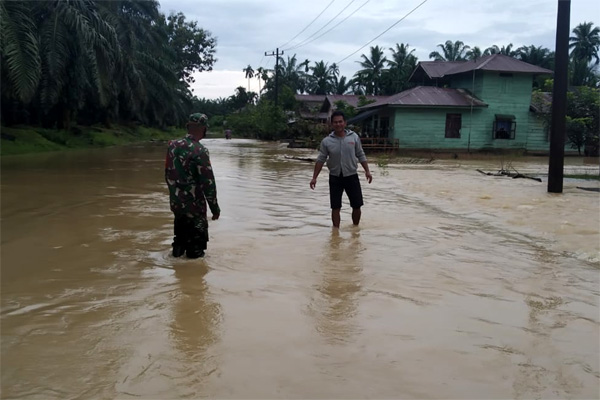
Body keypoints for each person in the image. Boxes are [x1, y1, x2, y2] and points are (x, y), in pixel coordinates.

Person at [165, 113, 220, 258]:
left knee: (179, 241)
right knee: (196, 250)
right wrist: (215, 208)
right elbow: (208, 182)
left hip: (177, 204)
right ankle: (193, 279)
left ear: (188, 127)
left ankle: (177, 274)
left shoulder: (172, 146)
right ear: (203, 128)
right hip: (194, 207)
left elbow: (168, 174)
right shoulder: (199, 150)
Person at [310, 110, 372, 228]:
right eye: (335, 122)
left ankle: (355, 229)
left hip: (352, 176)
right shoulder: (327, 141)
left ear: (345, 123)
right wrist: (314, 178)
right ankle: (336, 232)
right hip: (335, 177)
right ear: (332, 124)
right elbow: (320, 160)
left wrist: (367, 171)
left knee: (357, 205)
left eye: (340, 122)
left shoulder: (353, 137)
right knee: (335, 207)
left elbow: (360, 154)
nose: (338, 124)